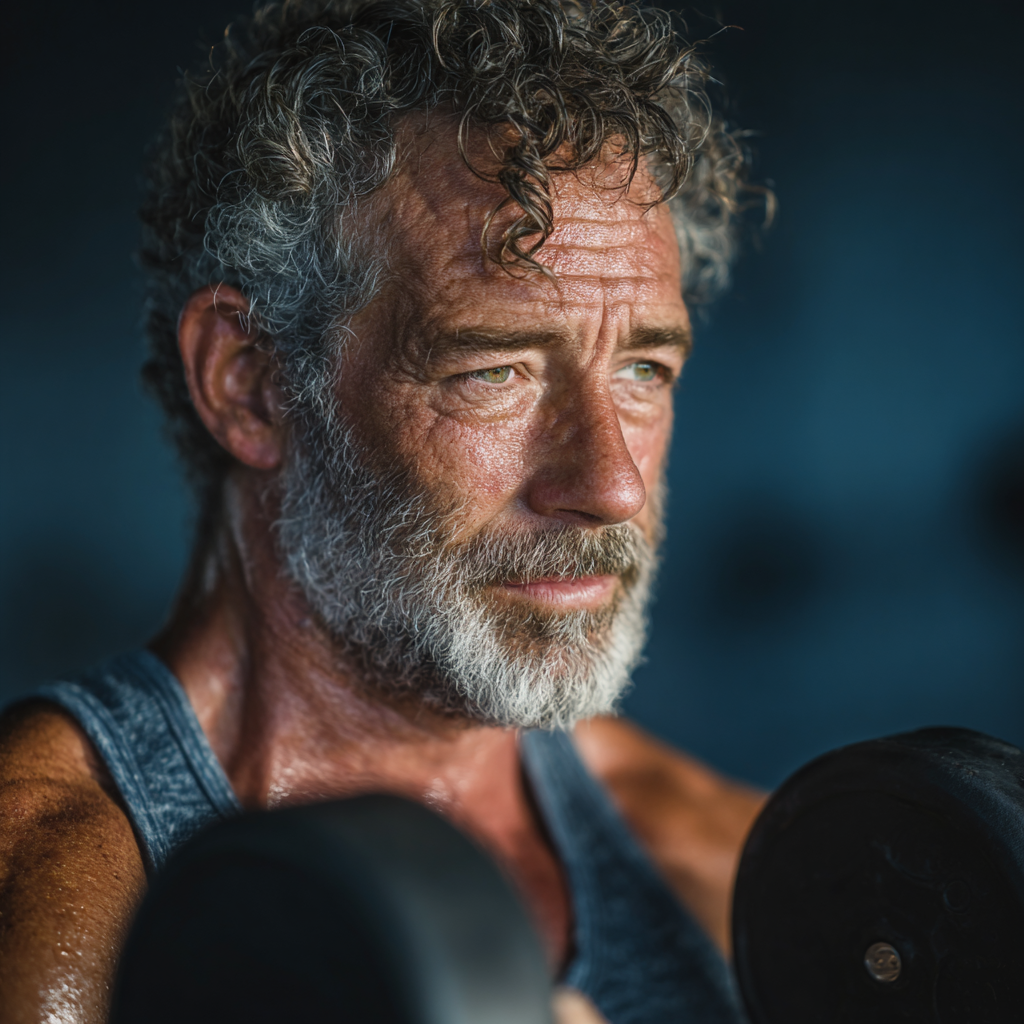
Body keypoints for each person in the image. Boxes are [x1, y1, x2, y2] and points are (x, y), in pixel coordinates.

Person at [0, 1, 767, 1021]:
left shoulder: (718, 873)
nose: (610, 485)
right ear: (250, 382)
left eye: (642, 369)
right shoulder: (55, 904)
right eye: (494, 370)